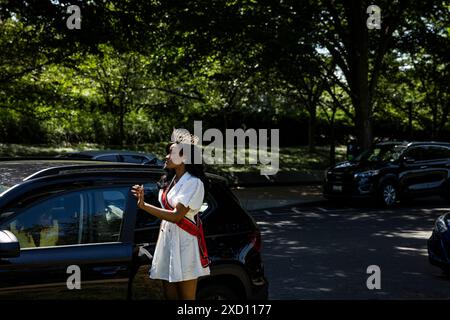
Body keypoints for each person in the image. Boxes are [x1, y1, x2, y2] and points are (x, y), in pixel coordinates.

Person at [132, 129, 210, 300]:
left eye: (171, 152)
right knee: (170, 296)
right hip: (167, 241)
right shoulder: (170, 181)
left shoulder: (194, 183)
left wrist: (144, 205)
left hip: (185, 244)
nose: (166, 156)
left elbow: (176, 216)